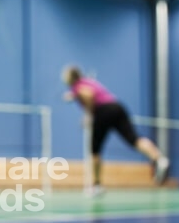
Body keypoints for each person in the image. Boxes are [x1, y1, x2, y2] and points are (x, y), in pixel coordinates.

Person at [62, 65, 170, 195]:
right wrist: (73, 96)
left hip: (102, 111)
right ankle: (159, 159)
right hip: (117, 107)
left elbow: (88, 94)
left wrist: (88, 115)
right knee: (134, 139)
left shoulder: (77, 86)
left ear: (70, 77)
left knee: (95, 150)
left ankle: (97, 185)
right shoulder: (87, 82)